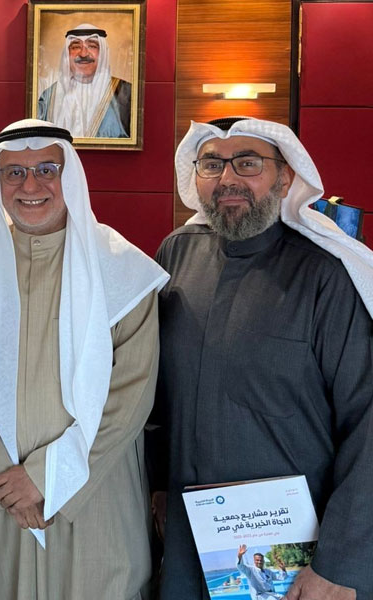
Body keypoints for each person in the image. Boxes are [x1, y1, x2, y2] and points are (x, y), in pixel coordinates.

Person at [0, 119, 168, 599]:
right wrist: (6, 480)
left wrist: (47, 477)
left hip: (94, 496)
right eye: (14, 172)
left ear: (71, 176)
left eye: (47, 169)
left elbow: (132, 393)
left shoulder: (122, 269)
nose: (31, 185)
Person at [153, 116, 373, 600]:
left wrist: (340, 565)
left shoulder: (326, 276)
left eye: (248, 163)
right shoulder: (176, 255)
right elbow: (157, 395)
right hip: (190, 537)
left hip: (297, 553)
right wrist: (156, 488)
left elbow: (367, 424)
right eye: (212, 164)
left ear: (286, 178)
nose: (228, 179)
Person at [36, 24, 132, 139]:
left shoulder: (125, 92)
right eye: (76, 47)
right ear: (67, 54)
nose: (83, 54)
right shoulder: (49, 97)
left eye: (92, 46)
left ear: (103, 53)